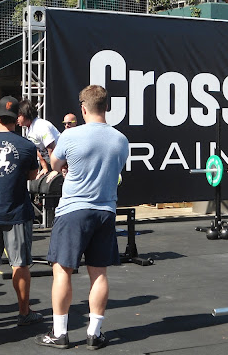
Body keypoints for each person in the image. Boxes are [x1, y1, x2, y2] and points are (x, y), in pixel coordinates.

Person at [35, 85, 129, 350]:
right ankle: (94, 334)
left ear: (83, 109)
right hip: (105, 211)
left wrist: (68, 166)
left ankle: (60, 333)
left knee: (62, 270)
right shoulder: (121, 139)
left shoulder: (70, 135)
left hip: (74, 210)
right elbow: (116, 168)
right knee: (98, 273)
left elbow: (55, 164)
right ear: (106, 107)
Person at [0, 96, 42, 326]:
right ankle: (24, 312)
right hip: (17, 212)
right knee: (20, 263)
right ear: (17, 118)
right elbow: (33, 176)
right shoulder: (26, 146)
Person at [17, 99, 60, 178]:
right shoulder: (28, 130)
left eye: (19, 115)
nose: (17, 119)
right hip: (55, 163)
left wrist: (55, 169)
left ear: (25, 114)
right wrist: (44, 168)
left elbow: (52, 148)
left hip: (63, 162)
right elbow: (37, 150)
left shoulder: (41, 126)